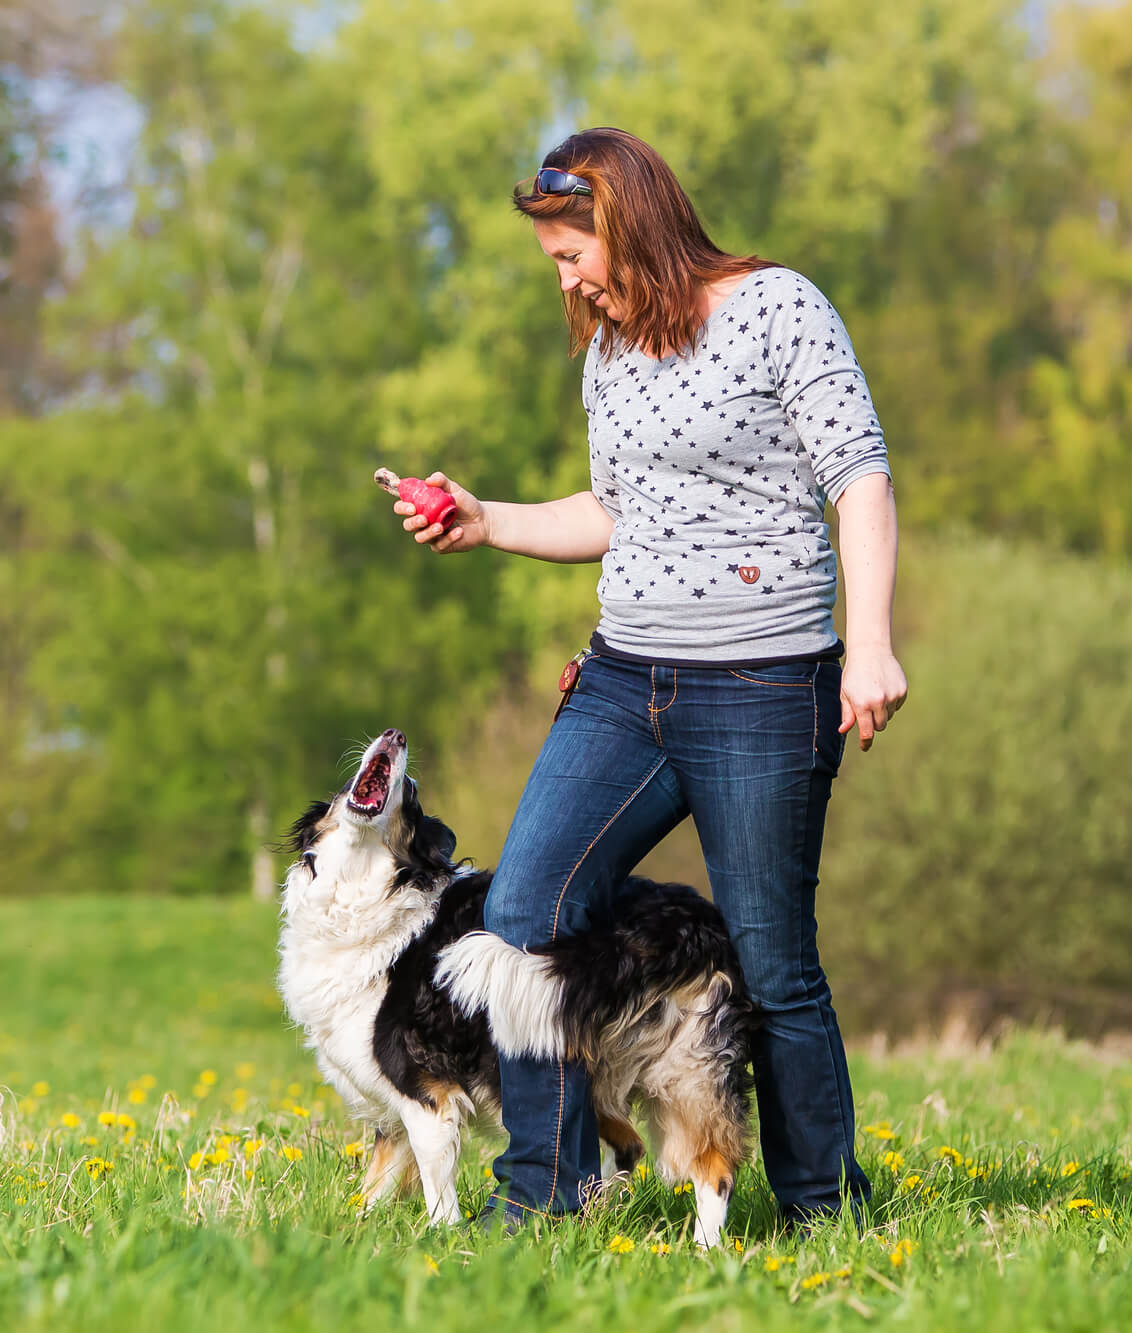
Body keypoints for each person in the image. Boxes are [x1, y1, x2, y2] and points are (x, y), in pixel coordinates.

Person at [386, 127, 906, 1233]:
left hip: (764, 684)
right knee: (521, 912)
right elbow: (613, 513)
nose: (565, 279)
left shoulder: (778, 308)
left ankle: (824, 1211)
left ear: (625, 222)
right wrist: (486, 523)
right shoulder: (608, 356)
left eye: (571, 253)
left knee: (769, 960)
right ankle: (551, 1190)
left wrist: (868, 642)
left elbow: (856, 475)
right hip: (627, 681)